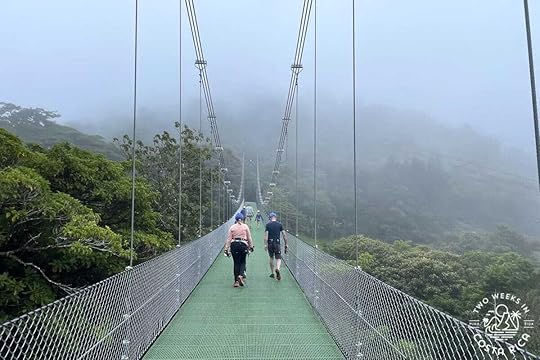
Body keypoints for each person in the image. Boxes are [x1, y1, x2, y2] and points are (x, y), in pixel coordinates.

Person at [224, 212, 253, 287]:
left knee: (236, 263)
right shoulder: (245, 226)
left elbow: (228, 239)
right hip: (243, 244)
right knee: (243, 261)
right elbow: (249, 238)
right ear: (242, 219)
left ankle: (236, 281)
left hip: (234, 245)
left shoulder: (232, 227)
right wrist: (251, 246)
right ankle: (241, 275)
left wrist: (226, 249)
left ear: (235, 219)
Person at [264, 212, 288, 281]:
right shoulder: (280, 225)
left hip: (270, 243)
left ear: (270, 218)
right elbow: (284, 234)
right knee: (278, 257)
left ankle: (272, 273)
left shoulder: (268, 225)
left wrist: (265, 244)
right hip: (277, 243)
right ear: (276, 217)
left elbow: (266, 236)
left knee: (271, 257)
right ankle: (277, 268)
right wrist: (286, 244)